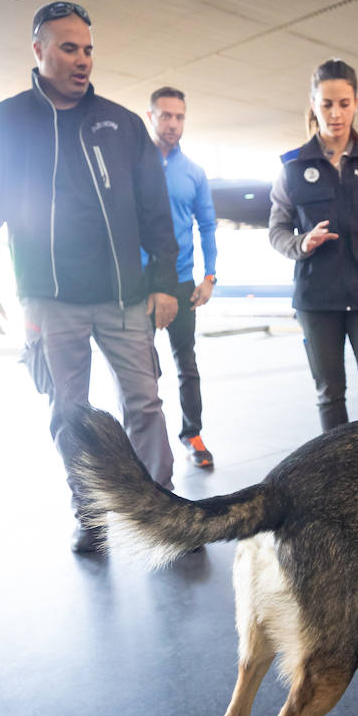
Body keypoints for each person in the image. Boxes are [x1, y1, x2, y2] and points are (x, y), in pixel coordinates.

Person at [0, 1, 180, 553]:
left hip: (125, 297)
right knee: (69, 412)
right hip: (49, 300)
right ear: (39, 50)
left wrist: (164, 281)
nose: (82, 61)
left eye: (88, 50)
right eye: (68, 48)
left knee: (144, 403)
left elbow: (156, 210)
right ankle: (93, 511)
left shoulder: (123, 126)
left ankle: (162, 509)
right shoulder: (4, 123)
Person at [267, 58, 358, 432]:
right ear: (314, 104)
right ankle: (337, 485)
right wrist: (303, 243)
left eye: (344, 103)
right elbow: (276, 233)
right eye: (327, 104)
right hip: (317, 303)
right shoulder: (292, 168)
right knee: (329, 396)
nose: (335, 113)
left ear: (355, 103)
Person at [146, 86, 218, 469]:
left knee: (186, 364)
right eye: (165, 115)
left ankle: (192, 433)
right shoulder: (135, 166)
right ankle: (146, 441)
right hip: (140, 283)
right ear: (151, 117)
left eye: (179, 117)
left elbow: (207, 227)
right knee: (144, 368)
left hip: (181, 283)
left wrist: (209, 277)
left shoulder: (193, 173)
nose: (173, 124)